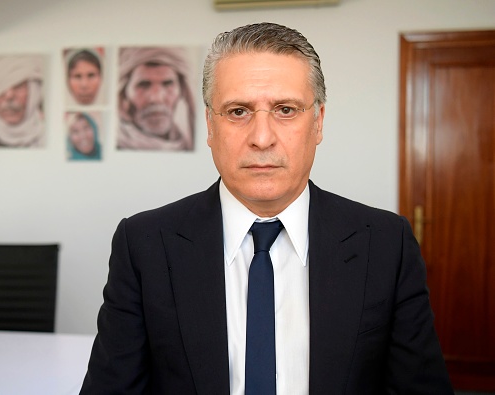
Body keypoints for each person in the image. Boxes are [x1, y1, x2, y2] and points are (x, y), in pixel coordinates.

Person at [80, 23, 453, 394]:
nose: (261, 138)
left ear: (318, 122)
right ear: (210, 126)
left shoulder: (387, 243)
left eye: (286, 109)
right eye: (239, 111)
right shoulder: (144, 244)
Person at [117, 47, 195, 151]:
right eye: (143, 85)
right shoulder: (112, 145)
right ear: (124, 93)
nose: (156, 98)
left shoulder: (187, 145)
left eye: (168, 84)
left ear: (182, 91)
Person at [0, 55, 45, 147]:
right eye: (0, 87)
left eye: (18, 86)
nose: (9, 96)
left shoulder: (50, 134)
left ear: (33, 92)